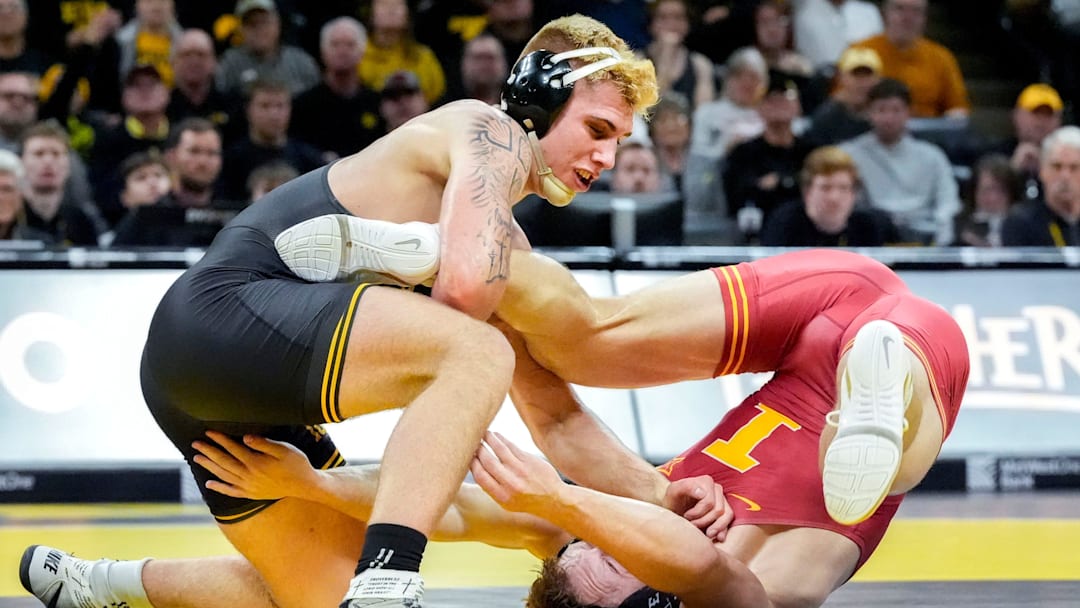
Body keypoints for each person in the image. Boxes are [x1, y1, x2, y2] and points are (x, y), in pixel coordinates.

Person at [21, 14, 659, 608]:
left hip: (202, 375)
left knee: (315, 592)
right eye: (597, 130)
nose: (607, 157)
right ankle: (389, 579)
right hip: (227, 314)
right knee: (476, 349)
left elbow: (556, 418)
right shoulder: (487, 131)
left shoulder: (498, 249)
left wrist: (666, 499)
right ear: (536, 98)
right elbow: (465, 294)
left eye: (621, 140)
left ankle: (100, 586)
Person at [22, 245, 969, 608]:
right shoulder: (746, 582)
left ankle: (456, 249)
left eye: (585, 549)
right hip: (894, 356)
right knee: (891, 458)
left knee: (590, 338)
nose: (594, 537)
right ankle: (878, 389)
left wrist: (475, 305)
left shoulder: (583, 521)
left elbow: (481, 477)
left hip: (817, 312)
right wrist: (567, 500)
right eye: (607, 556)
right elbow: (722, 582)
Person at [761, 145, 900, 246]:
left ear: (854, 193)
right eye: (825, 188)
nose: (834, 197)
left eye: (843, 188)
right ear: (807, 191)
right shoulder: (784, 224)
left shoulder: (871, 225)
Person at [1002, 124, 1080, 246]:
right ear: (1042, 171)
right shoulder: (1021, 223)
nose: (1065, 176)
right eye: (1057, 166)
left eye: (1074, 167)